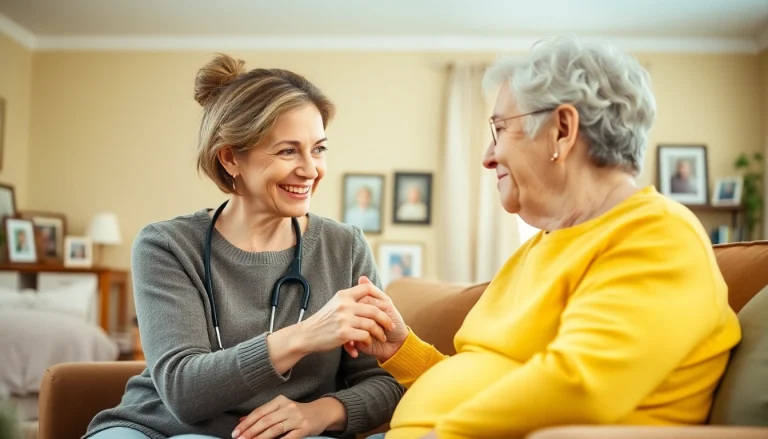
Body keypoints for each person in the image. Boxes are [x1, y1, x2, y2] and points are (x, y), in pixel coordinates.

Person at [349, 36, 742, 439]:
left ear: (562, 130)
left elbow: (578, 386)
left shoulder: (656, 236)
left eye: (500, 128)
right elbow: (486, 386)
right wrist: (401, 350)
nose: (487, 155)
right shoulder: (542, 246)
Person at [84, 54, 403, 439]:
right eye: (288, 151)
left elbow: (385, 383)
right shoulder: (166, 245)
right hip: (164, 430)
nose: (310, 169)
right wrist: (303, 335)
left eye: (318, 149)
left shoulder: (344, 247)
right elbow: (183, 392)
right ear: (231, 157)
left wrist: (322, 412)